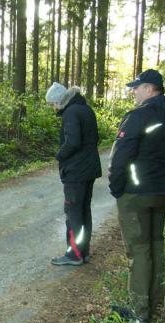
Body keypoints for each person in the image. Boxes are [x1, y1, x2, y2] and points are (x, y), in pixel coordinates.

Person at [107, 69, 165, 323]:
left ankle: (140, 312)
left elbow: (120, 157)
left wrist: (117, 187)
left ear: (151, 89)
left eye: (137, 87)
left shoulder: (138, 117)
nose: (134, 91)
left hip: (135, 194)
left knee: (139, 251)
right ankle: (154, 303)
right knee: (156, 246)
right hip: (161, 192)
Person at [45, 82, 101, 266]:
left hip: (76, 172)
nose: (53, 109)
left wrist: (59, 155)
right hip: (89, 169)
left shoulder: (71, 113)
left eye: (52, 104)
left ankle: (74, 254)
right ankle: (83, 252)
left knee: (73, 213)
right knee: (84, 211)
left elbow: (73, 142)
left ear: (59, 101)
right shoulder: (85, 109)